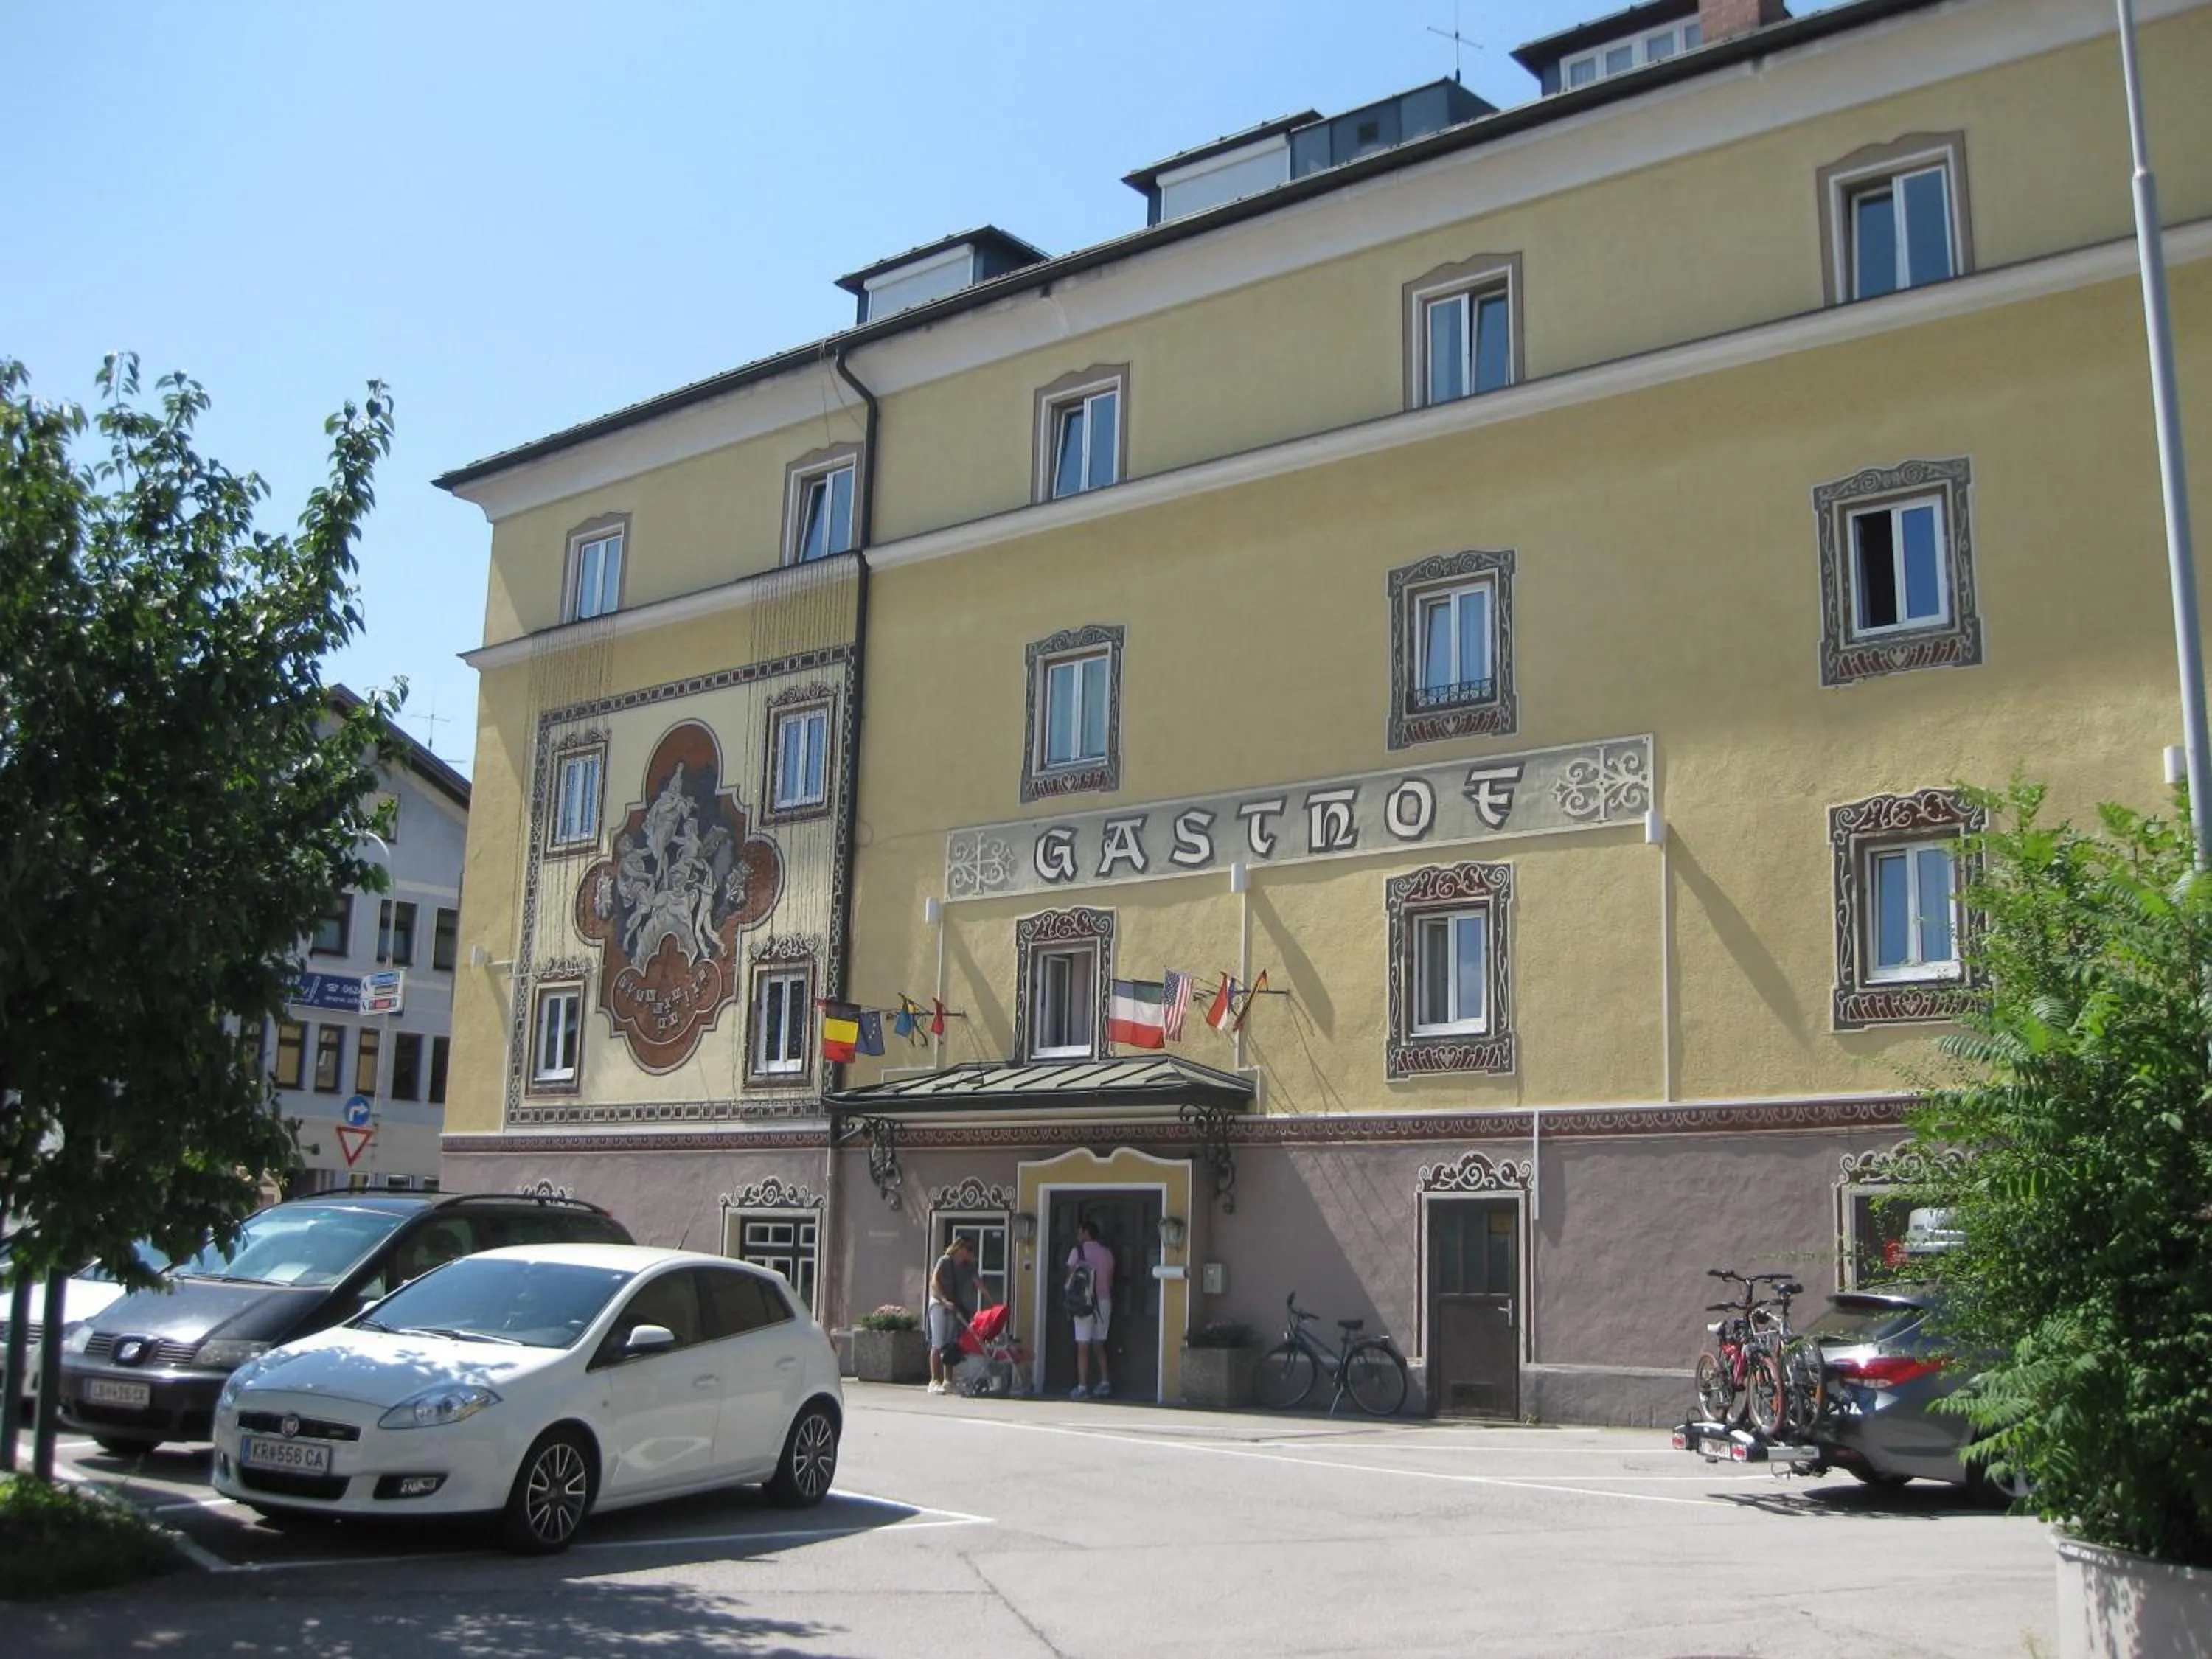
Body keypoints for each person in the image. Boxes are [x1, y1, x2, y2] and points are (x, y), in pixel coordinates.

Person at [1065, 1219, 1115, 1399]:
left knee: (1083, 1345)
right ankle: (1105, 1383)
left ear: (1086, 1233)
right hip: (1103, 1301)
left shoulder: (1077, 1251)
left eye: (1080, 1232)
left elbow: (1069, 1279)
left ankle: (1082, 1386)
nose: (1078, 1235)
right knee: (1099, 1343)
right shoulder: (1107, 1253)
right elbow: (1110, 1280)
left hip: (1083, 1303)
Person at [926, 1235, 977, 1396]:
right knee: (938, 1342)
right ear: (959, 1248)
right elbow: (934, 1282)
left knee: (950, 1344)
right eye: (969, 1249)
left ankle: (948, 1381)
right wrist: (943, 1301)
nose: (971, 1253)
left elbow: (978, 1282)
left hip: (953, 1306)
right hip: (939, 1304)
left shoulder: (967, 1266)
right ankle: (934, 1381)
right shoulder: (945, 1261)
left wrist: (991, 1302)